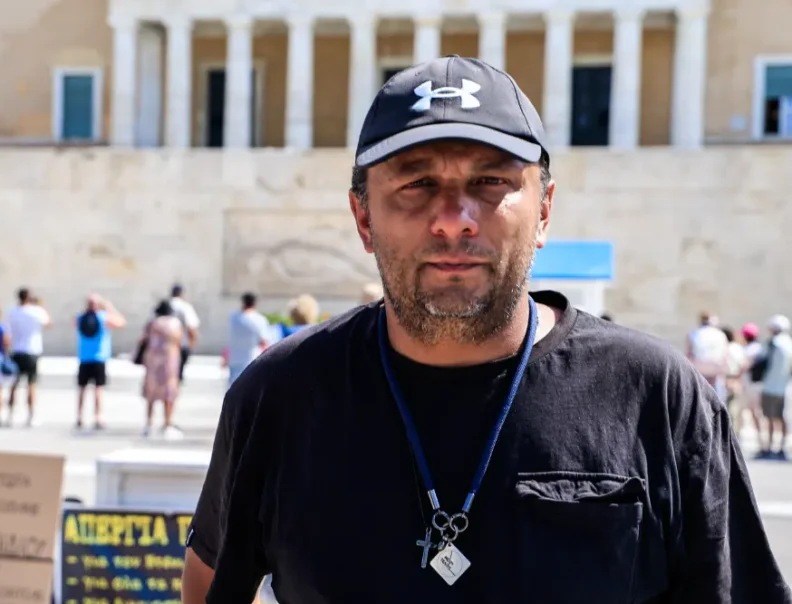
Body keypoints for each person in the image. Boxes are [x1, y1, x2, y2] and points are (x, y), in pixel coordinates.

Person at [182, 56, 789, 603]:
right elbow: (211, 585)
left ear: (544, 210)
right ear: (363, 217)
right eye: (417, 184)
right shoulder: (279, 395)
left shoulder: (657, 396)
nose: (454, 220)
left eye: (491, 182)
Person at [75, 293, 126, 430]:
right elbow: (121, 322)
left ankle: (79, 417)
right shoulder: (103, 317)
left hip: (84, 357)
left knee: (82, 389)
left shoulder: (80, 317)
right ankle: (98, 417)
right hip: (99, 358)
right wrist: (109, 308)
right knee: (98, 389)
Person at [7, 287, 51, 427]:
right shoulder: (36, 311)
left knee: (14, 384)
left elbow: (8, 331)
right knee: (31, 384)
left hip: (17, 350)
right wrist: (40, 306)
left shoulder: (12, 311)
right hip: (32, 351)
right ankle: (31, 415)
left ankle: (11, 414)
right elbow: (48, 323)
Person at [141, 300, 184, 440]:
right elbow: (178, 340)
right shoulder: (175, 323)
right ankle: (167, 423)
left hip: (153, 360)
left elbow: (144, 339)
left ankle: (149, 424)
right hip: (170, 360)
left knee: (151, 393)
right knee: (168, 392)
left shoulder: (152, 323)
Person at [759, 314, 792, 460]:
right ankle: (782, 448)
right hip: (784, 386)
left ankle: (770, 447)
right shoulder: (789, 344)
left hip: (770, 386)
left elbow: (762, 362)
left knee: (770, 418)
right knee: (782, 417)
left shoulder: (772, 344)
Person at [226, 293, 271, 388]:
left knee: (233, 389)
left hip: (234, 359)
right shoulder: (259, 319)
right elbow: (265, 342)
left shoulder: (233, 317)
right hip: (251, 360)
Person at [686, 311, 729, 401]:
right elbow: (725, 355)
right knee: (718, 394)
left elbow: (689, 354)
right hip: (716, 368)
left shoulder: (693, 334)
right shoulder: (720, 334)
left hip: (699, 368)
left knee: (700, 395)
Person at [169, 284, 201, 383]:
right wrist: (192, 343)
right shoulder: (185, 307)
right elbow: (191, 326)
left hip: (163, 346)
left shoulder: (164, 305)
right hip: (181, 345)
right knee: (177, 375)